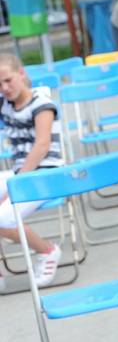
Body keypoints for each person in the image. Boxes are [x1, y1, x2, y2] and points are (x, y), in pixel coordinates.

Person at [0, 55, 62, 292]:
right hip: (20, 173)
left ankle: (47, 250)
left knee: (2, 217)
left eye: (8, 80)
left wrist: (16, 185)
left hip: (46, 174)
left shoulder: (42, 103)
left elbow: (42, 146)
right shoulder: (5, 103)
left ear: (22, 74)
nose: (5, 88)